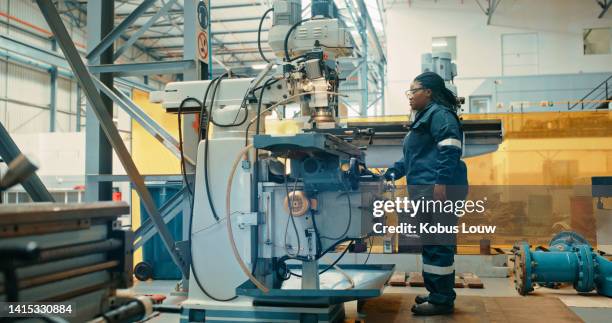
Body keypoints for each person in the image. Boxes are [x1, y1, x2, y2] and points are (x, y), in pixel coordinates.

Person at [384, 72, 468, 316]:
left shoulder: (439, 114)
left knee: (439, 244)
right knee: (431, 244)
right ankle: (436, 293)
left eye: (414, 91)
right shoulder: (424, 118)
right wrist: (390, 174)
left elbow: (451, 147)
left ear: (428, 92)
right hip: (424, 190)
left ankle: (442, 300)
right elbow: (411, 159)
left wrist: (442, 182)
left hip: (438, 191)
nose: (410, 96)